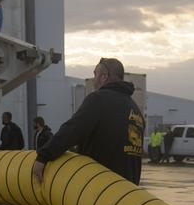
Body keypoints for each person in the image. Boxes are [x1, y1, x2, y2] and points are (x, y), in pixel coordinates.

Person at [33, 57, 144, 186]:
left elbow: (72, 130)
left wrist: (44, 156)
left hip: (100, 186)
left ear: (104, 76)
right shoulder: (135, 109)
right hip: (128, 190)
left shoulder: (99, 99)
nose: (94, 80)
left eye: (95, 74)